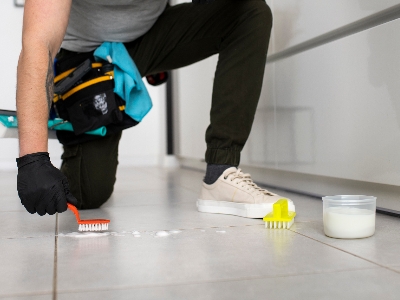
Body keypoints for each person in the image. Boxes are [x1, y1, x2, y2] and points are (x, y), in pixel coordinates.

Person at [16, 0, 294, 218]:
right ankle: (68, 123)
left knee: (248, 12)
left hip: (149, 34)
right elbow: (39, 43)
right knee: (88, 194)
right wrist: (33, 159)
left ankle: (221, 171)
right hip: (85, 54)